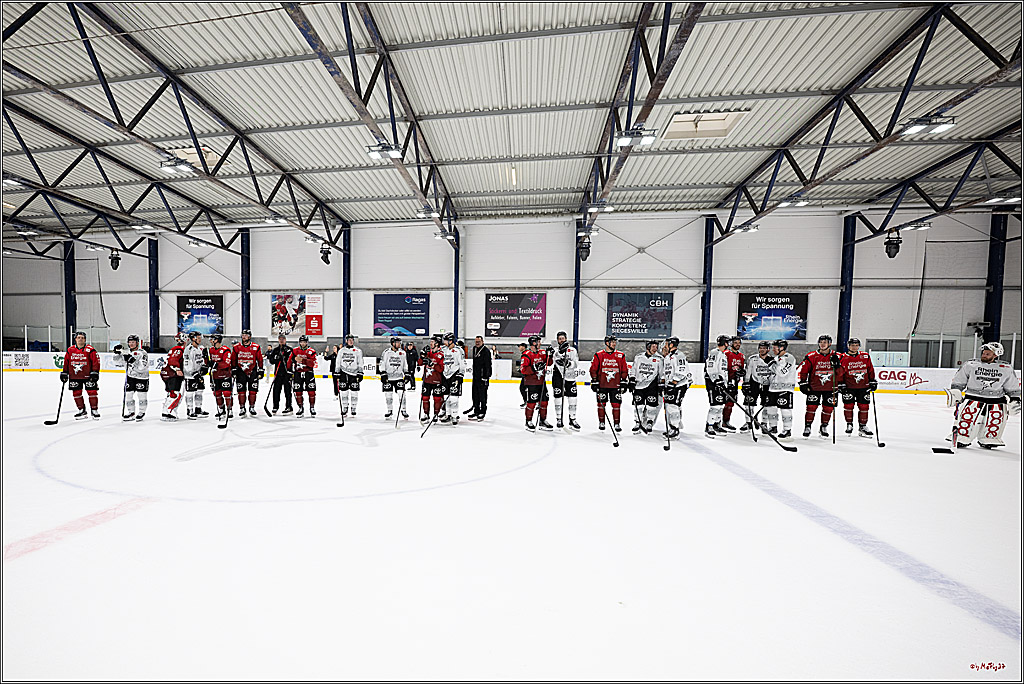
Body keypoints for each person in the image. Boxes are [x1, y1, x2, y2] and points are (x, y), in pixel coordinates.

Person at [945, 342, 1021, 448]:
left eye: (987, 354)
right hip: (973, 397)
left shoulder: (1005, 368)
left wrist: (1015, 398)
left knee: (995, 420)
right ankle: (962, 437)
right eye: (984, 353)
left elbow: (1012, 385)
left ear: (996, 355)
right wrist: (956, 391)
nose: (984, 355)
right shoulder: (971, 365)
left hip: (996, 400)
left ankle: (989, 438)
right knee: (967, 418)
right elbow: (959, 379)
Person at [799, 334, 842, 438]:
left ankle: (824, 426)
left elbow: (841, 373)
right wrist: (803, 383)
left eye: (825, 342)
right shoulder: (811, 356)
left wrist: (837, 365)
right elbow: (804, 371)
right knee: (811, 407)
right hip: (814, 387)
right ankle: (807, 426)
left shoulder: (838, 356)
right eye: (821, 342)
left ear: (830, 344)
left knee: (828, 408)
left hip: (831, 388)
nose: (822, 344)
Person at [838, 338, 877, 437]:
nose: (854, 347)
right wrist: (840, 383)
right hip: (849, 387)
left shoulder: (865, 356)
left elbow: (870, 369)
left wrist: (872, 380)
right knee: (848, 406)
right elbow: (840, 372)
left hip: (863, 386)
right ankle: (849, 424)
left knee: (864, 407)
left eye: (856, 345)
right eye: (852, 345)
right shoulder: (843, 357)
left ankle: (863, 426)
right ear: (848, 346)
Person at [590, 335, 628, 432]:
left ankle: (616, 423)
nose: (614, 344)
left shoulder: (621, 355)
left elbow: (624, 369)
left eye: (615, 342)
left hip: (615, 385)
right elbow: (593, 369)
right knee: (601, 404)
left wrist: (623, 381)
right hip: (602, 385)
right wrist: (594, 381)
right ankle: (601, 422)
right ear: (607, 343)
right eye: (612, 342)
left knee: (616, 405)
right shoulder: (599, 355)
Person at [60, 330, 102, 420]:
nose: (80, 340)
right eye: (78, 338)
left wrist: (95, 372)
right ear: (75, 339)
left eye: (82, 338)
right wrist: (64, 372)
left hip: (88, 376)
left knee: (92, 392)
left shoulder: (90, 350)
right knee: (76, 393)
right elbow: (66, 362)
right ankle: (81, 410)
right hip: (74, 375)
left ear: (85, 340)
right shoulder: (70, 350)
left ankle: (94, 410)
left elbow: (96, 361)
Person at [764, 339, 798, 439]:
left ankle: (787, 430)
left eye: (775, 348)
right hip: (773, 388)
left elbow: (782, 372)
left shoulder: (789, 358)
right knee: (771, 409)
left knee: (785, 410)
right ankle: (773, 427)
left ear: (782, 348)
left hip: (785, 388)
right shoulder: (776, 358)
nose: (773, 349)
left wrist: (771, 364)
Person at [629, 339, 664, 434]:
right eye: (653, 346)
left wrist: (661, 384)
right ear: (648, 347)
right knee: (638, 405)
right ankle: (637, 422)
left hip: (652, 386)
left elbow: (662, 373)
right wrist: (631, 379)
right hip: (639, 385)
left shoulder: (659, 359)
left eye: (656, 347)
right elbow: (634, 369)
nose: (655, 349)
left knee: (651, 406)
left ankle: (649, 422)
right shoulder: (639, 357)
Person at [660, 337, 691, 438]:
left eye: (666, 344)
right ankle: (674, 425)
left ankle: (675, 429)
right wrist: (663, 383)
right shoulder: (668, 357)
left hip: (679, 385)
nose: (665, 346)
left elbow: (681, 370)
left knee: (673, 406)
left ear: (671, 345)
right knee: (670, 405)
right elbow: (666, 372)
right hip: (672, 385)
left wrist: (673, 383)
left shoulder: (679, 355)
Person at [740, 341, 774, 433]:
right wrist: (746, 383)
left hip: (767, 385)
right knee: (748, 404)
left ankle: (764, 423)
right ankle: (748, 423)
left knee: (766, 405)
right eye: (760, 348)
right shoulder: (752, 358)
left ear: (768, 349)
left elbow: (774, 373)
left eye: (764, 348)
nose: (762, 350)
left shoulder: (773, 360)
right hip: (754, 383)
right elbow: (748, 372)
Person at [521, 334, 552, 431]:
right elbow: (523, 370)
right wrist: (533, 368)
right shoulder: (526, 354)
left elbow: (549, 363)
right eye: (538, 341)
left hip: (541, 382)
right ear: (534, 343)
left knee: (544, 402)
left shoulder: (542, 352)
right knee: (531, 402)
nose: (540, 343)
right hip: (531, 383)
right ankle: (528, 421)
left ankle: (543, 421)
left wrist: (549, 355)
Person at [114, 334, 149, 422]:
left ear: (137, 343)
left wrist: (132, 360)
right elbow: (117, 363)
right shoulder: (127, 352)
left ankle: (141, 412)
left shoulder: (143, 353)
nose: (131, 344)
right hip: (130, 377)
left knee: (141, 396)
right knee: (128, 395)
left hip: (142, 377)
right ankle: (131, 412)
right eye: (129, 342)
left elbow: (142, 367)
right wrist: (117, 354)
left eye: (133, 342)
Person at [550, 331, 580, 431]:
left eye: (563, 338)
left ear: (566, 339)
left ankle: (572, 419)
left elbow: (576, 363)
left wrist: (569, 364)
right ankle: (559, 419)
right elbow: (554, 360)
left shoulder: (572, 350)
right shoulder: (555, 350)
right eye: (559, 339)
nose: (561, 340)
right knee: (558, 397)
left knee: (572, 398)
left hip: (570, 376)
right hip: (558, 375)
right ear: (557, 340)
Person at [233, 329, 264, 418]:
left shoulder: (256, 347)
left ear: (250, 337)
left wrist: (261, 370)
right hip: (240, 372)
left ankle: (252, 407)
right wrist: (233, 369)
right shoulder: (236, 347)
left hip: (252, 371)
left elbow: (260, 359)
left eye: (246, 335)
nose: (244, 336)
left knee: (253, 391)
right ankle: (242, 408)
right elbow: (233, 359)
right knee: (241, 391)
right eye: (243, 335)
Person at [704, 335, 731, 438]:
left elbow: (723, 370)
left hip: (720, 383)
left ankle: (716, 424)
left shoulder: (723, 354)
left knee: (720, 405)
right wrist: (716, 380)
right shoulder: (715, 353)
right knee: (715, 405)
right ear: (725, 343)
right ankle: (709, 426)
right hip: (713, 383)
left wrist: (726, 383)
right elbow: (710, 367)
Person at [287, 335, 318, 417]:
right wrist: (289, 371)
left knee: (311, 391)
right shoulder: (295, 350)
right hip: (298, 373)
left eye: (304, 342)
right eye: (301, 342)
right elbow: (289, 361)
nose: (303, 343)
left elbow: (313, 363)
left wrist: (303, 360)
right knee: (298, 391)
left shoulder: (311, 351)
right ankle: (300, 407)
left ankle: (312, 407)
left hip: (308, 373)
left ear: (307, 342)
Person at [378, 336, 408, 420]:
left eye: (399, 342)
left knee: (402, 394)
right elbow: (382, 362)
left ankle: (403, 410)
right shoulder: (386, 352)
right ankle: (389, 410)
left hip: (399, 377)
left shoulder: (402, 352)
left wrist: (407, 373)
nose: (399, 344)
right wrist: (383, 373)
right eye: (397, 342)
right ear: (393, 343)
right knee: (388, 395)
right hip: (388, 377)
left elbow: (405, 364)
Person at [333, 334, 364, 417]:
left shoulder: (358, 351)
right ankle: (345, 407)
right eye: (349, 340)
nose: (351, 341)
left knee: (354, 392)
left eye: (352, 340)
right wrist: (337, 372)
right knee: (344, 392)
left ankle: (353, 408)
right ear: (346, 341)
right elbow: (338, 361)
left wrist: (360, 373)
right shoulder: (341, 351)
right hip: (344, 373)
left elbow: (360, 362)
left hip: (354, 374)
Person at [182, 331, 210, 420]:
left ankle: (198, 409)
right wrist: (194, 373)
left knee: (200, 391)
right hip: (190, 375)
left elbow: (200, 361)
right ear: (193, 339)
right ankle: (190, 411)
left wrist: (204, 366)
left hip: (199, 374)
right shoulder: (188, 349)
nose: (200, 339)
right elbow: (187, 364)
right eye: (198, 338)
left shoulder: (199, 348)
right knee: (190, 393)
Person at [440, 332, 466, 425]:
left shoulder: (459, 350)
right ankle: (448, 414)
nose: (444, 342)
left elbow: (462, 364)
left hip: (454, 376)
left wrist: (461, 375)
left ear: (451, 341)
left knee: (454, 397)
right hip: (445, 375)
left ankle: (454, 416)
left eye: (446, 340)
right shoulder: (443, 350)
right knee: (446, 396)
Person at [207, 333, 234, 422]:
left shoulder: (226, 350)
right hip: (214, 375)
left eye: (212, 339)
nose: (210, 341)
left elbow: (226, 363)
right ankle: (221, 409)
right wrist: (205, 359)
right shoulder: (210, 350)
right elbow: (209, 362)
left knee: (227, 393)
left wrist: (215, 364)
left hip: (225, 375)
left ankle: (229, 410)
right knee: (217, 393)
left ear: (217, 340)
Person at [419, 334, 445, 424]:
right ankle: (426, 414)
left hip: (437, 380)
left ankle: (436, 414)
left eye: (432, 342)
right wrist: (422, 356)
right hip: (426, 380)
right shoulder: (428, 352)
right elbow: (419, 363)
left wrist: (433, 365)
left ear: (437, 343)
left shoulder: (441, 354)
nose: (430, 343)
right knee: (425, 397)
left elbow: (441, 369)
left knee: (437, 398)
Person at [160, 332, 186, 421]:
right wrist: (177, 369)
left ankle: (165, 411)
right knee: (175, 394)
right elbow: (173, 359)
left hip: (166, 373)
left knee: (170, 393)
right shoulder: (179, 349)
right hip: (172, 374)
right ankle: (169, 412)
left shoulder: (175, 348)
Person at [266, 334, 293, 414]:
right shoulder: (276, 350)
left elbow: (293, 360)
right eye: (280, 339)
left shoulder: (289, 349)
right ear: (278, 340)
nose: (281, 340)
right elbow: (271, 360)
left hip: (287, 374)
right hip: (278, 374)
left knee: (288, 391)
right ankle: (275, 406)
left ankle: (289, 406)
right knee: (276, 391)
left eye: (283, 339)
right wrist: (277, 358)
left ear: (285, 340)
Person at [467, 336, 492, 420]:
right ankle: (476, 410)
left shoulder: (486, 351)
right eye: (476, 341)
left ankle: (482, 411)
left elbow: (488, 365)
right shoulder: (474, 349)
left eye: (479, 341)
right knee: (475, 394)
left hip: (483, 377)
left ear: (483, 342)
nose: (477, 343)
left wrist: (486, 376)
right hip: (476, 376)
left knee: (482, 395)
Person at [723, 336, 745, 429]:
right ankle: (717, 421)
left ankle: (726, 421)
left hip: (734, 383)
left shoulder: (741, 356)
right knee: (721, 403)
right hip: (725, 382)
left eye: (739, 342)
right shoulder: (726, 354)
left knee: (731, 403)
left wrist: (741, 372)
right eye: (735, 342)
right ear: (731, 343)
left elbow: (741, 368)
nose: (737, 344)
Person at [516, 342, 529, 408]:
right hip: (526, 374)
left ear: (523, 347)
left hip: (527, 375)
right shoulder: (525, 353)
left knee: (523, 388)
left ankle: (528, 402)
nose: (519, 348)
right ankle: (528, 401)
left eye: (520, 346)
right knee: (525, 388)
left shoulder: (526, 354)